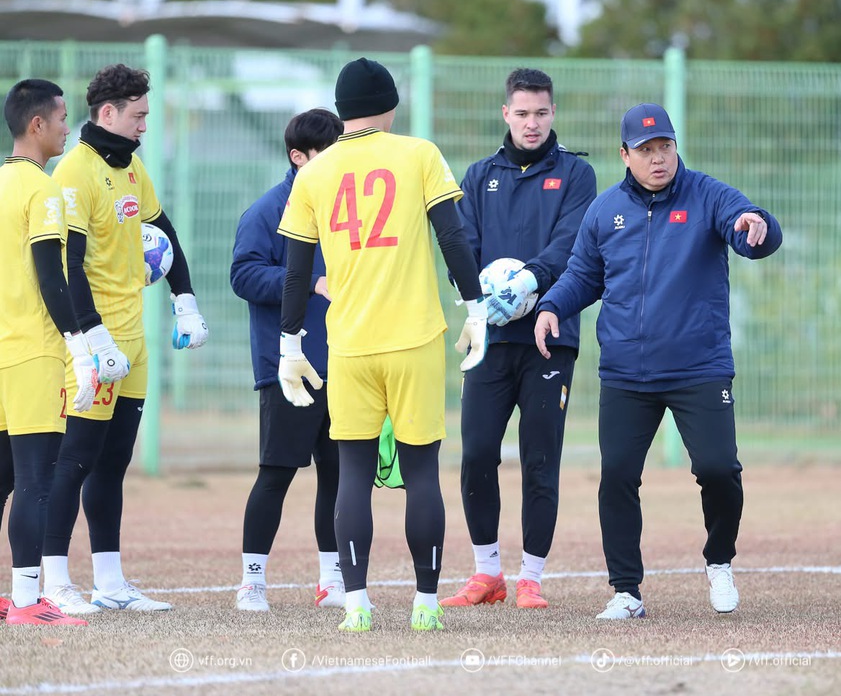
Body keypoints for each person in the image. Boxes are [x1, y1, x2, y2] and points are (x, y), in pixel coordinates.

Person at [534, 103, 782, 620]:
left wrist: (756, 226)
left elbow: (749, 229)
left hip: (699, 366)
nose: (658, 158)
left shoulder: (707, 194)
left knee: (717, 468)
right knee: (618, 476)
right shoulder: (604, 211)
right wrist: (553, 306)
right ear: (625, 155)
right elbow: (584, 275)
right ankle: (626, 591)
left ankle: (719, 563)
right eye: (645, 150)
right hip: (626, 373)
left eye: (664, 147)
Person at [277, 57, 486, 633]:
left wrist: (289, 344)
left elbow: (297, 274)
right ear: (391, 105)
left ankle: (356, 605)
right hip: (415, 338)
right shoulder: (419, 153)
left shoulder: (314, 174)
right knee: (421, 473)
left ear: (341, 111)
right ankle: (424, 603)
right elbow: (453, 236)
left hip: (348, 344)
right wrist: (477, 307)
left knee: (351, 474)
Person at [41, 64, 210, 614]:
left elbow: (166, 233)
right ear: (108, 113)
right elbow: (68, 265)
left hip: (134, 339)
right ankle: (56, 582)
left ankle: (110, 584)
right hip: (98, 342)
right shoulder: (75, 173)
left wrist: (184, 301)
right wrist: (93, 335)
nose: (144, 126)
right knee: (76, 460)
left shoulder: (133, 168)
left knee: (114, 463)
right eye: (137, 116)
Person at [440, 68, 596, 610]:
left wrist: (531, 280)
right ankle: (488, 574)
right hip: (489, 338)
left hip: (550, 336)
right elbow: (464, 243)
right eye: (523, 113)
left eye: (542, 113)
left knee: (539, 457)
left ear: (554, 114)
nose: (532, 123)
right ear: (506, 113)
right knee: (478, 450)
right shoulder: (480, 174)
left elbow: (572, 242)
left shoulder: (577, 174)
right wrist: (479, 299)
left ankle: (530, 575)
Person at [230, 108, 345, 612]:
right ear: (299, 157)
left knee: (340, 476)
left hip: (347, 364)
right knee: (276, 474)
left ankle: (333, 580)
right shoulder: (266, 211)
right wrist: (306, 283)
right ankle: (252, 581)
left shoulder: (345, 209)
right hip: (290, 366)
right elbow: (243, 275)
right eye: (330, 153)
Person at [0, 79, 97, 626]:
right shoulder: (42, 190)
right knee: (36, 480)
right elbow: (50, 276)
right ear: (36, 125)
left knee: (1, 480)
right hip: (34, 353)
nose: (67, 126)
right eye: (61, 117)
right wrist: (78, 345)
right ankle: (27, 600)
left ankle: (11, 597)